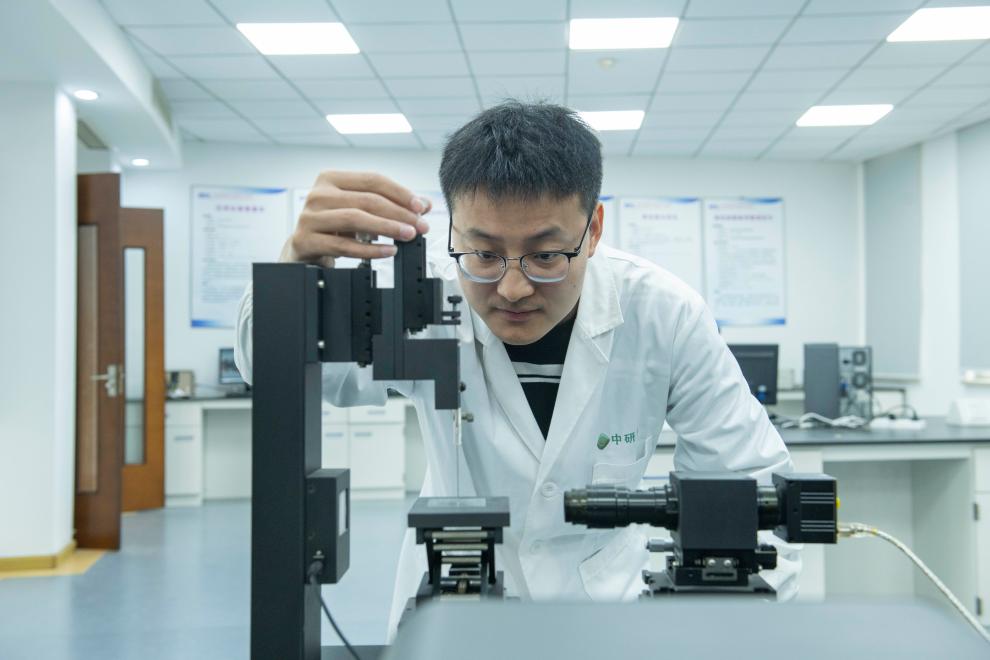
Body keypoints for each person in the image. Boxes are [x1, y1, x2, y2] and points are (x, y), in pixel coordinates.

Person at [234, 101, 798, 639]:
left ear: (593, 230)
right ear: (453, 230)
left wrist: (740, 629)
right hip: (453, 598)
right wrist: (292, 276)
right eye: (483, 254)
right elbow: (271, 369)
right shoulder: (422, 302)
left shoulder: (663, 313)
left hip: (602, 608)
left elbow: (749, 484)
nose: (511, 288)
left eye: (545, 256)